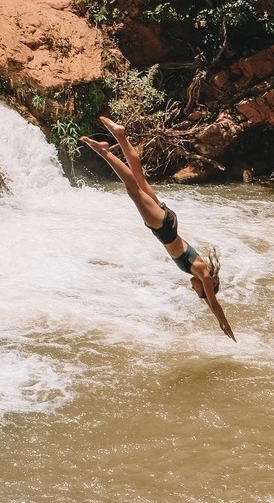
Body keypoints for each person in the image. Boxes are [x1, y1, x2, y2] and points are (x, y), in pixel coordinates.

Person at [81, 116, 236, 342]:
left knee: (138, 176)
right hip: (164, 229)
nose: (194, 290)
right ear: (207, 286)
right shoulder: (203, 275)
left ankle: (119, 134)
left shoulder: (198, 270)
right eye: (198, 292)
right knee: (132, 188)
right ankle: (105, 152)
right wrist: (224, 324)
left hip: (168, 221)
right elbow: (213, 303)